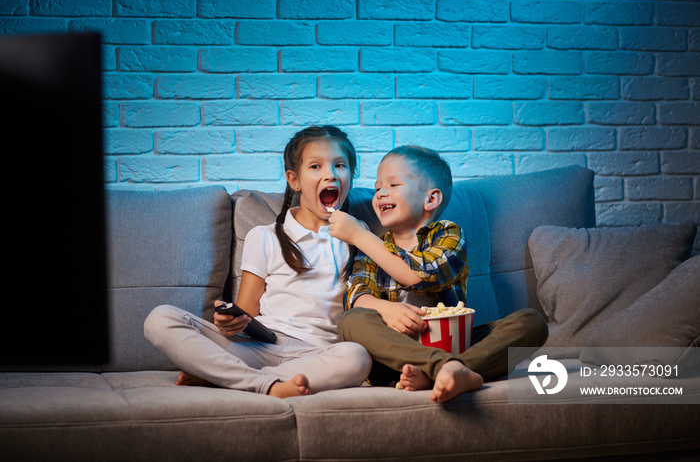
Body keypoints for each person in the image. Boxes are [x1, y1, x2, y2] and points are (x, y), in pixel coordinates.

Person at [144, 125, 371, 398]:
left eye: (340, 165)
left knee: (357, 357)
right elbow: (246, 311)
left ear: (351, 176)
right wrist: (231, 322)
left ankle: (226, 377)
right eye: (315, 166)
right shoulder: (264, 237)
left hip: (319, 352)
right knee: (160, 318)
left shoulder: (358, 234)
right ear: (294, 179)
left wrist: (357, 235)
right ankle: (266, 384)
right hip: (260, 347)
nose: (330, 174)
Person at [328, 146, 548, 403]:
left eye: (393, 184)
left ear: (430, 199)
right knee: (351, 321)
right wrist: (385, 310)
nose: (381, 193)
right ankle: (450, 369)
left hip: (453, 342)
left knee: (531, 322)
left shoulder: (448, 235)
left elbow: (417, 276)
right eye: (377, 188)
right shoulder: (371, 247)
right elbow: (357, 296)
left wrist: (358, 234)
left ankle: (440, 371)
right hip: (395, 355)